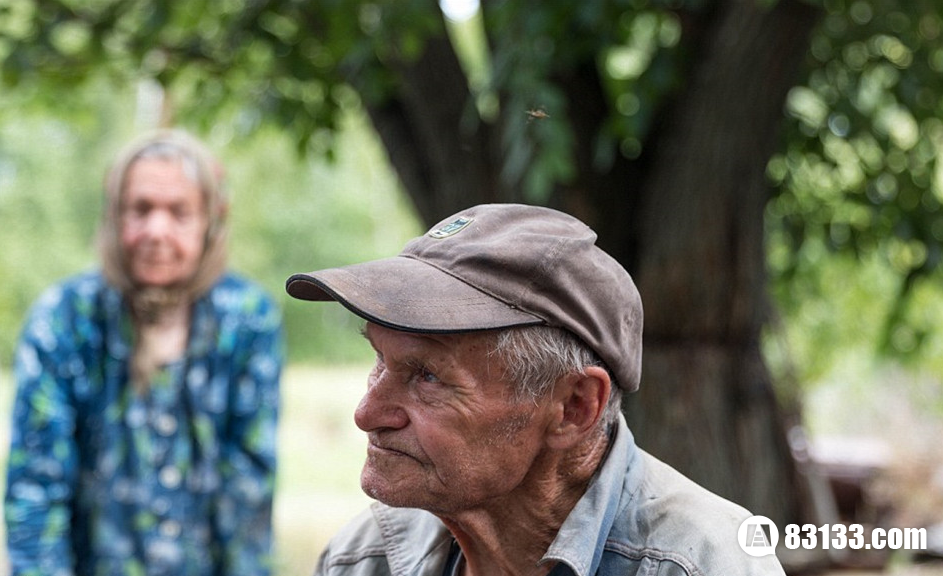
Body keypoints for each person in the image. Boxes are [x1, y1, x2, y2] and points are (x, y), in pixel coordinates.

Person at [285, 203, 787, 576]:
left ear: (573, 408)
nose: (367, 412)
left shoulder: (702, 563)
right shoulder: (367, 559)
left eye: (428, 376)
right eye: (379, 361)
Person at [4, 129, 283, 576]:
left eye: (179, 213)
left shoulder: (247, 319)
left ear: (209, 222)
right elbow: (37, 487)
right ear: (115, 218)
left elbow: (248, 490)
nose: (156, 230)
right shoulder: (65, 319)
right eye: (140, 210)